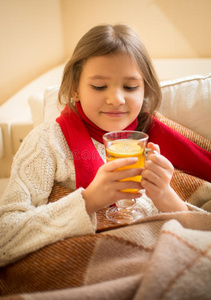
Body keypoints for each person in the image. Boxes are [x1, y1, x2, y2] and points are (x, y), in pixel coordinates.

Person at [0, 24, 210, 267]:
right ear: (74, 89)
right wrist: (88, 201)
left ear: (144, 90)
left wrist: (165, 195)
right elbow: (5, 237)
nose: (116, 99)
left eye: (130, 87)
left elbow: (204, 233)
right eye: (99, 86)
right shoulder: (47, 142)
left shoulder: (161, 137)